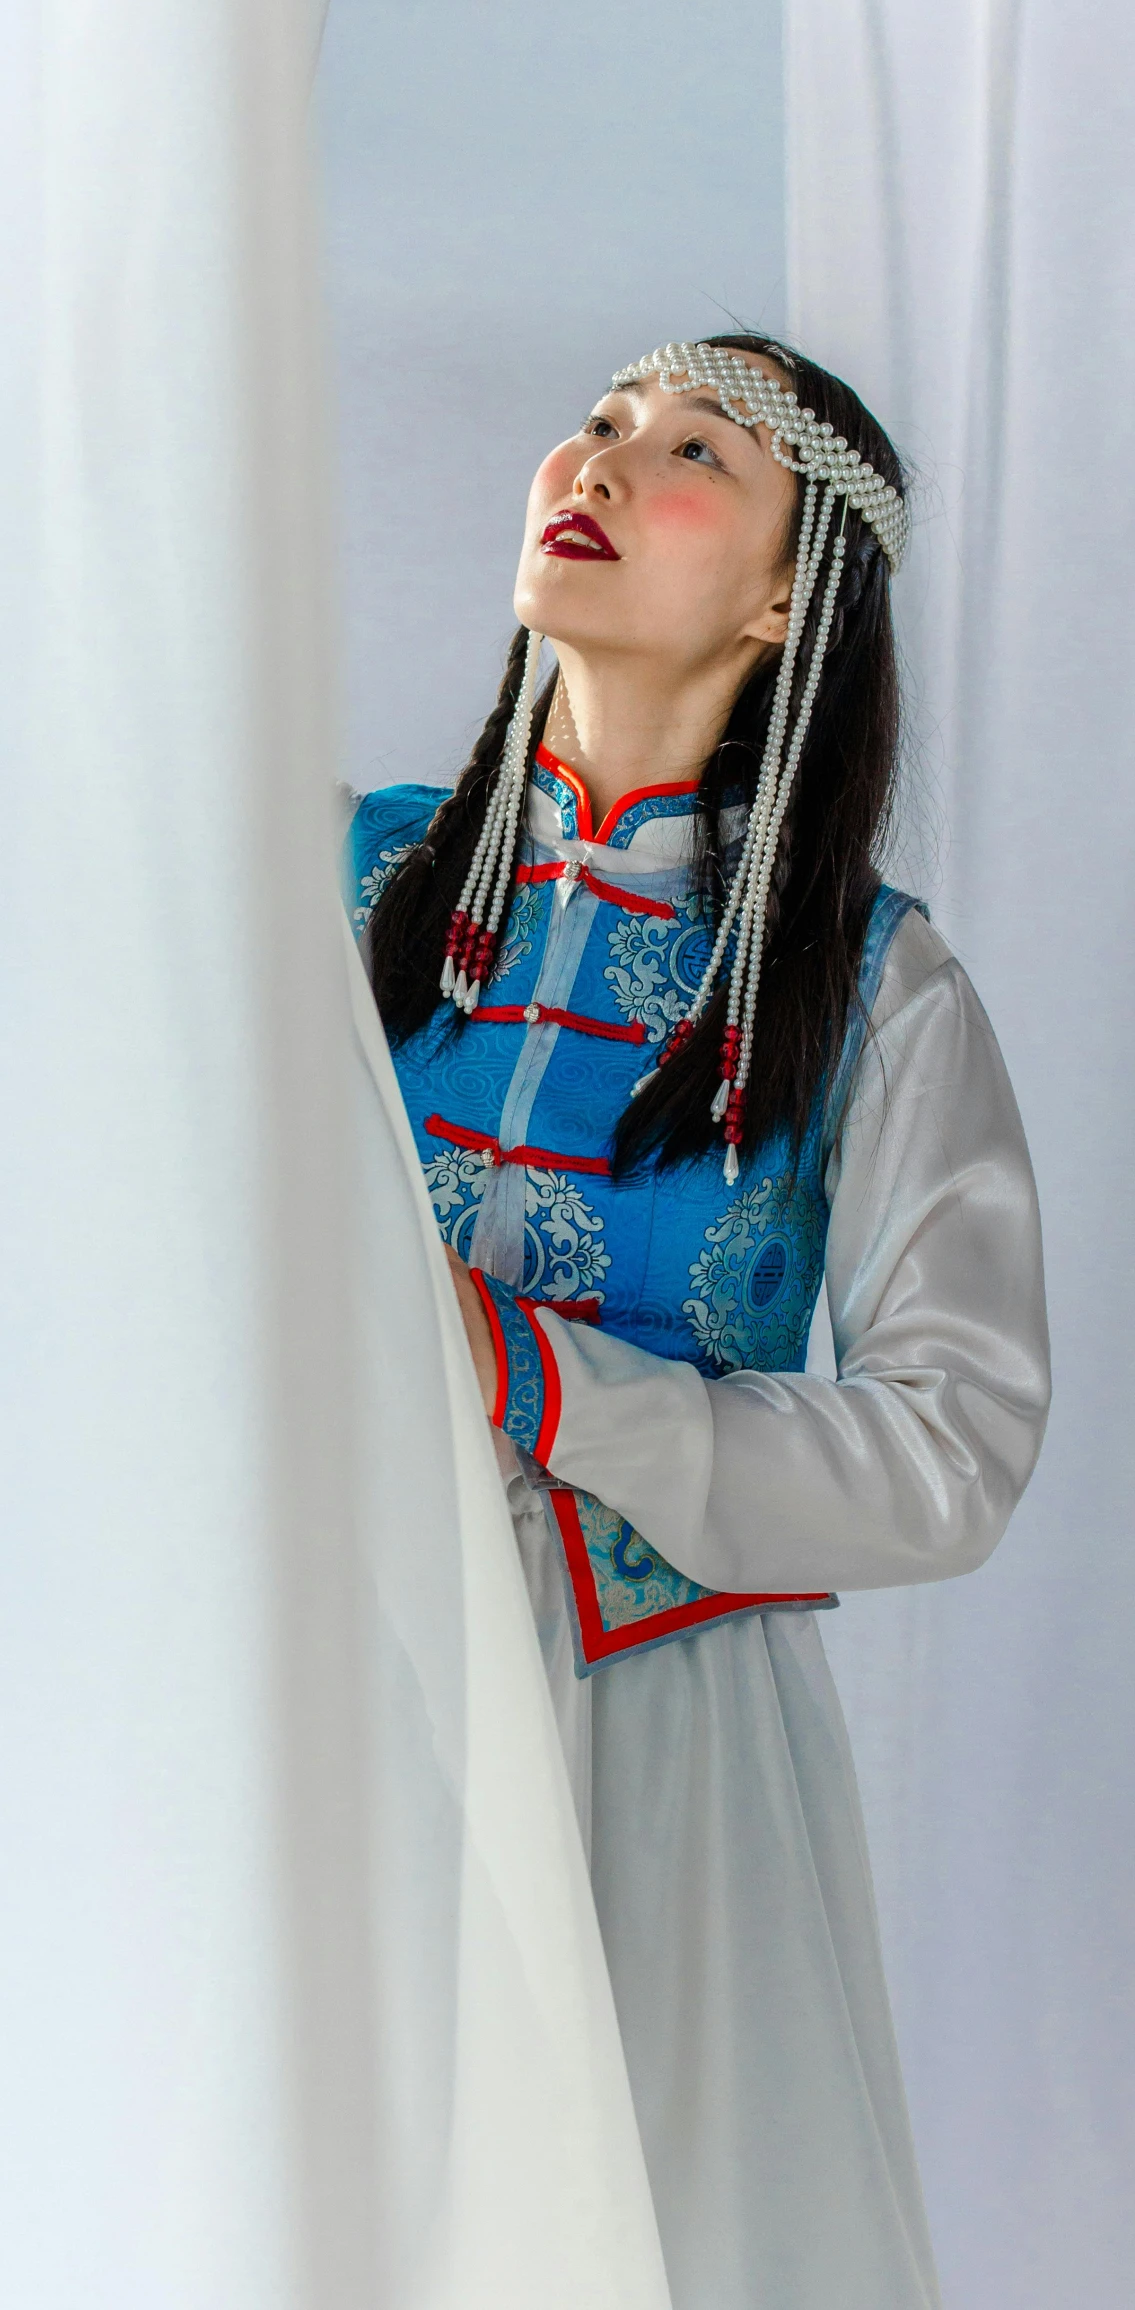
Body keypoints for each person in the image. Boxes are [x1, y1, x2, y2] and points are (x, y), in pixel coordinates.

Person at [345, 336, 1049, 2310]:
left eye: (693, 451)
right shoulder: (344, 880)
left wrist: (552, 1381)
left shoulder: (874, 993)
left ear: (778, 595)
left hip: (659, 1736)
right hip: (342, 1677)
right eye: (601, 416)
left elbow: (956, 1447)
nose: (600, 452)